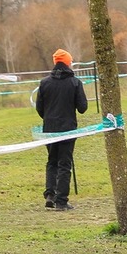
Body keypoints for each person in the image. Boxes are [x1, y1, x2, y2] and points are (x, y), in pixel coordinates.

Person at [36, 48, 88, 211]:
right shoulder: (75, 83)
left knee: (52, 161)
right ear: (68, 63)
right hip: (68, 129)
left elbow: (39, 108)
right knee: (64, 164)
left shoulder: (44, 83)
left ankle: (50, 195)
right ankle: (61, 201)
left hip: (49, 128)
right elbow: (82, 108)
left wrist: (49, 118)